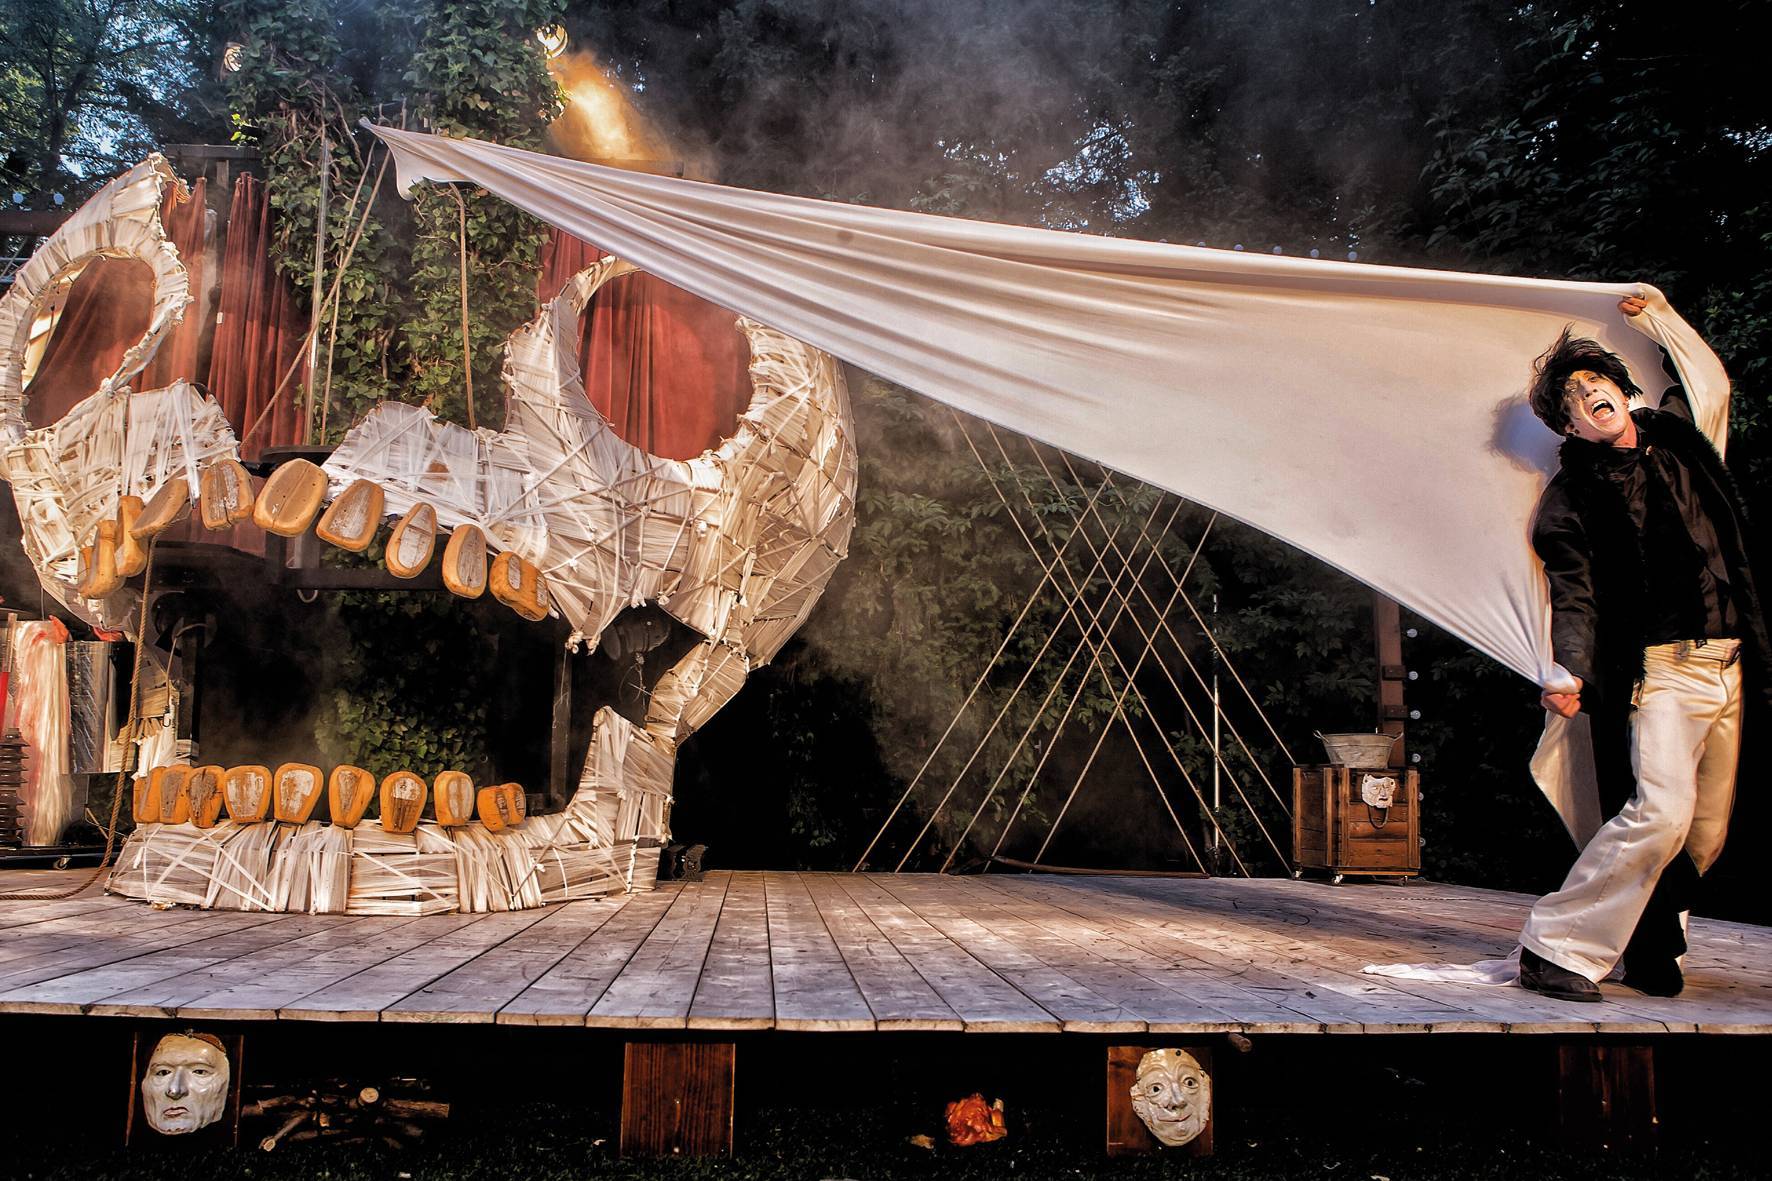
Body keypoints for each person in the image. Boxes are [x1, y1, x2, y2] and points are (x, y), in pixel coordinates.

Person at [1517, 295, 1768, 1002]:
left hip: (1731, 665)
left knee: (1705, 834)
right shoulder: (1573, 497)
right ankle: (1553, 945)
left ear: (1622, 392)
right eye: (1574, 399)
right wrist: (1569, 669)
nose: (1589, 397)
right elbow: (1575, 592)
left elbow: (1711, 384)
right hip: (1660, 675)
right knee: (1660, 813)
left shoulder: (1684, 445)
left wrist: (1659, 316)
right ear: (1569, 426)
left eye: (1596, 384)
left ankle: (1648, 938)